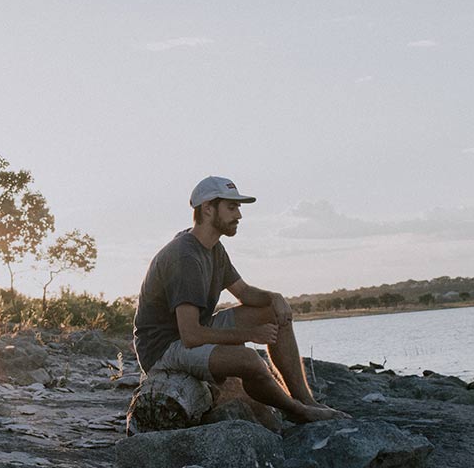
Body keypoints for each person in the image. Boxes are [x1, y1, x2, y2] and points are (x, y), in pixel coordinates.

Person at [133, 175, 347, 423]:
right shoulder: (185, 257)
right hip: (164, 348)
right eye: (231, 207)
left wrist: (274, 297)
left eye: (239, 208)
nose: (239, 215)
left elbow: (244, 292)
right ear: (208, 208)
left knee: (270, 309)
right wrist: (250, 335)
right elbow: (191, 335)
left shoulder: (213, 248)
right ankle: (297, 411)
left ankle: (305, 399)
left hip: (190, 333)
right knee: (250, 360)